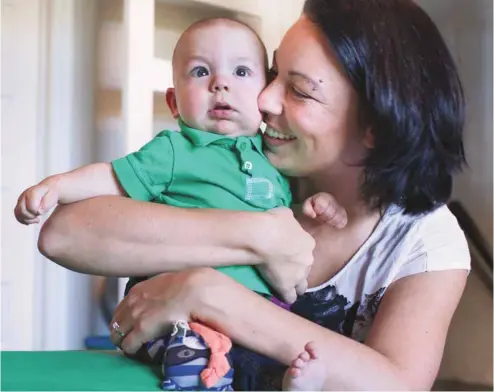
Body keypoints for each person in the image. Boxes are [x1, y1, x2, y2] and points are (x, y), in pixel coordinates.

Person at [36, 0, 470, 390]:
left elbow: (397, 384)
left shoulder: (423, 239)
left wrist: (207, 293)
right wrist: (259, 235)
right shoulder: (245, 164)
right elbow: (63, 234)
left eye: (299, 90)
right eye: (274, 73)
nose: (263, 100)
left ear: (376, 124)